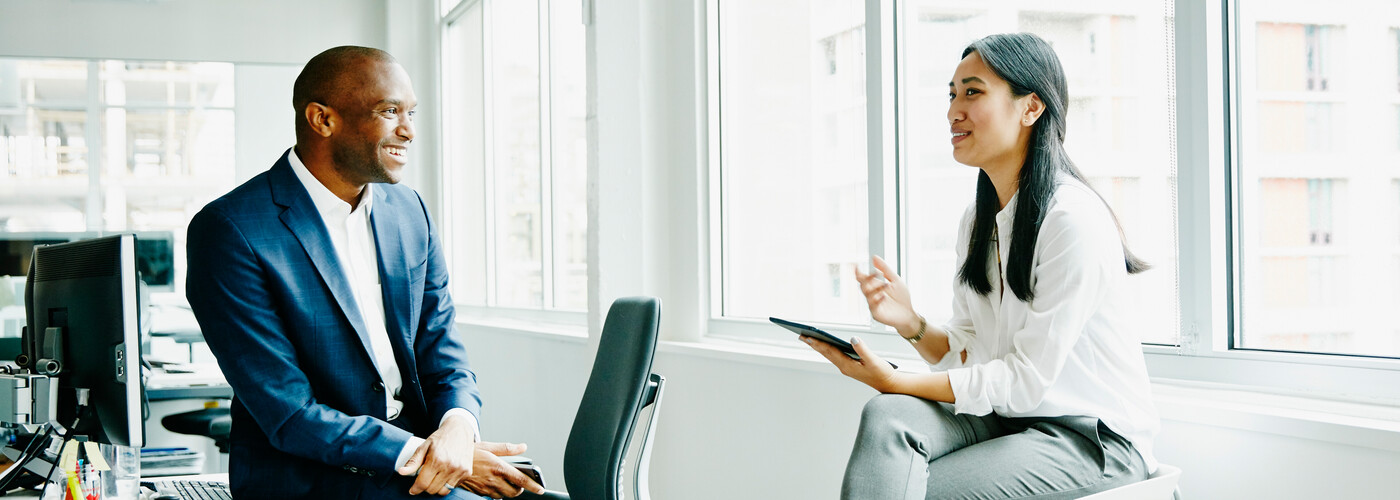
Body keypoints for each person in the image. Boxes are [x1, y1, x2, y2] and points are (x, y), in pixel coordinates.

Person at [802, 33, 1160, 499]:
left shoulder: (1073, 221)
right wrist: (911, 324)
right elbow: (976, 354)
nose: (954, 110)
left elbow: (1025, 380)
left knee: (920, 489)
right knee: (887, 415)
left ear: (1031, 108)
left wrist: (898, 379)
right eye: (952, 94)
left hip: (1092, 440)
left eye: (973, 92)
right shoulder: (978, 220)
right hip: (1012, 420)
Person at [186, 46, 545, 499]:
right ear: (322, 119)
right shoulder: (231, 230)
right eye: (389, 111)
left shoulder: (409, 211)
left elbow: (442, 347)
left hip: (419, 464)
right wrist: (426, 455)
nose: (409, 130)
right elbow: (289, 412)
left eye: (411, 112)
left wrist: (457, 427)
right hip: (310, 477)